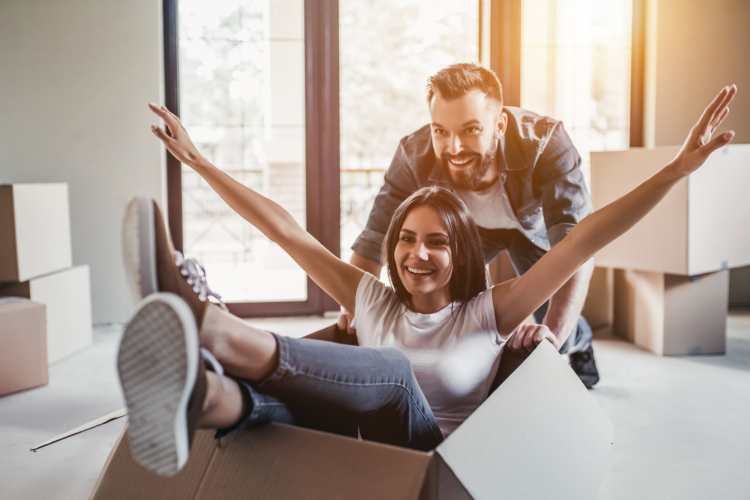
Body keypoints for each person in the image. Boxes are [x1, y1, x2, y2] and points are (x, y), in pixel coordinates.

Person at [116, 85, 735, 477]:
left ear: (460, 251)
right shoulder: (371, 296)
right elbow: (287, 231)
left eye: (436, 241)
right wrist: (198, 162)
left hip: (432, 456)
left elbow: (585, 237)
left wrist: (676, 170)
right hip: (364, 445)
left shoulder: (489, 312)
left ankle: (213, 326)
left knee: (390, 371)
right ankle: (204, 398)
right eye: (407, 240)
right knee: (279, 403)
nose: (417, 254)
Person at [341, 63, 599, 387]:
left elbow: (577, 247)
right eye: (441, 131)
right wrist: (354, 308)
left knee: (555, 315)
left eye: (471, 130)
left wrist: (553, 340)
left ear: (500, 124)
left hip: (534, 232)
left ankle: (581, 341)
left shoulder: (547, 143)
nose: (454, 147)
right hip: (471, 231)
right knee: (451, 298)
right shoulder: (413, 154)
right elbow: (374, 237)